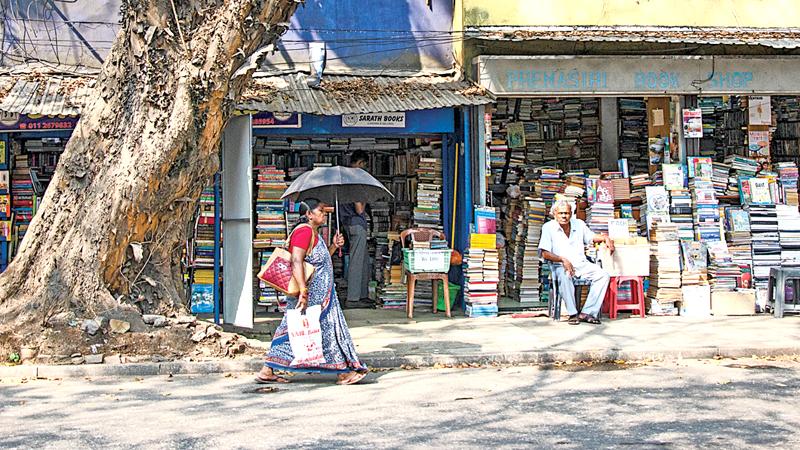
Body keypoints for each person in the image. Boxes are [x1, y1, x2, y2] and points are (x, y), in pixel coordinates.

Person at [255, 198, 369, 385]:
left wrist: (333, 246)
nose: (324, 214)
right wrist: (303, 290)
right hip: (311, 295)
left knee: (294, 330)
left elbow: (317, 262)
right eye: (321, 211)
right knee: (323, 331)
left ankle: (268, 369)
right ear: (308, 214)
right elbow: (297, 261)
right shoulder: (304, 232)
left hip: (320, 294)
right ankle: (342, 372)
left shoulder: (313, 233)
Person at [539, 199, 615, 325]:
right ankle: (572, 313)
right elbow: (544, 253)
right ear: (555, 214)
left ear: (571, 213)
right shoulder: (548, 228)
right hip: (560, 265)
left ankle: (587, 312)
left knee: (603, 275)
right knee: (565, 275)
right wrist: (562, 259)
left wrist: (605, 237)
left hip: (581, 264)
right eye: (561, 213)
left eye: (567, 213)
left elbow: (591, 237)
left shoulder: (578, 224)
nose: (564, 216)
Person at [339, 150, 374, 309]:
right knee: (357, 260)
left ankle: (363, 295)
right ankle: (353, 298)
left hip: (347, 223)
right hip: (357, 224)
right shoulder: (357, 180)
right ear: (360, 163)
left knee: (363, 260)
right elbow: (359, 209)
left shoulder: (344, 178)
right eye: (364, 165)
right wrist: (366, 197)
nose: (364, 169)